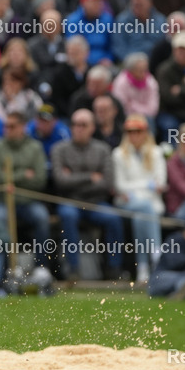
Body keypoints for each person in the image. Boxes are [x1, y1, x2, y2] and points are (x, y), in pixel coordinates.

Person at [51, 109, 125, 280]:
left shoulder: (103, 149)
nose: (78, 128)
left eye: (83, 125)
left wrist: (74, 179)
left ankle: (114, 269)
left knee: (114, 218)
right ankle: (73, 270)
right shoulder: (59, 149)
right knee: (67, 216)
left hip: (95, 202)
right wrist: (91, 178)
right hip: (69, 201)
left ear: (92, 128)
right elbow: (60, 181)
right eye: (75, 124)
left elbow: (107, 184)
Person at [0, 111, 52, 268]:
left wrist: (10, 177)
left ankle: (41, 268)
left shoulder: (35, 147)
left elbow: (39, 180)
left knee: (42, 218)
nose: (7, 129)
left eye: (12, 126)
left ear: (22, 127)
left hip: (28, 201)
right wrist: (24, 174)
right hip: (2, 201)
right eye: (5, 126)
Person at [112, 115, 167, 284]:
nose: (134, 135)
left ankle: (142, 267)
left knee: (140, 216)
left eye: (138, 131)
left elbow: (161, 182)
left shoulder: (157, 152)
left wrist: (137, 189)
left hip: (148, 203)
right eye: (130, 131)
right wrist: (147, 185)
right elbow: (120, 185)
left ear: (145, 133)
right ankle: (157, 256)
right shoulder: (118, 154)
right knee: (144, 207)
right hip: (128, 203)